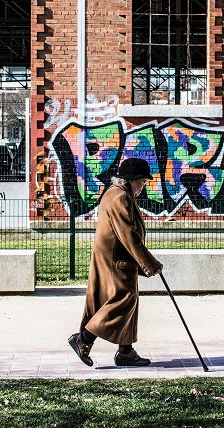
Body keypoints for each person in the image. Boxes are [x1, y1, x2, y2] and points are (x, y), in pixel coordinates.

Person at [68, 157, 163, 367]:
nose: (143, 187)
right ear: (131, 180)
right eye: (142, 182)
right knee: (123, 300)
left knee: (126, 301)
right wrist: (150, 263)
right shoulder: (120, 197)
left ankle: (126, 351)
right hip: (116, 262)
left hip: (116, 260)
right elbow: (128, 235)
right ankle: (83, 339)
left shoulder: (116, 194)